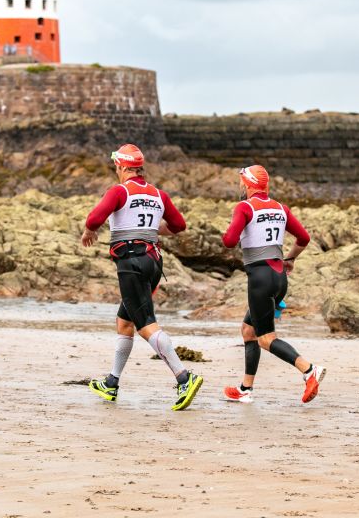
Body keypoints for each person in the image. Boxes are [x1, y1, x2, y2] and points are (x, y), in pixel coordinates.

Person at [81, 144, 203, 411]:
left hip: (131, 262)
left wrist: (90, 231)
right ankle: (111, 383)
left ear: (123, 167)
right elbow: (179, 226)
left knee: (146, 324)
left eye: (117, 166)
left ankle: (184, 377)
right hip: (153, 261)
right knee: (125, 321)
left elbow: (94, 217)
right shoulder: (159, 194)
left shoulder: (119, 191)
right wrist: (151, 229)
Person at [222, 164, 326, 404]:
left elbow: (229, 241)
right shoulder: (281, 208)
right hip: (279, 278)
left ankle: (309, 370)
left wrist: (228, 234)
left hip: (260, 278)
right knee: (249, 331)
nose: (240, 185)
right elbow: (304, 238)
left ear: (247, 184)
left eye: (241, 181)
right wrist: (290, 258)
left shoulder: (245, 207)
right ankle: (245, 389)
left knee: (265, 338)